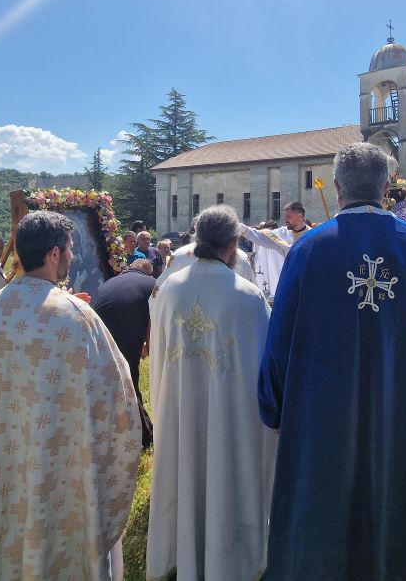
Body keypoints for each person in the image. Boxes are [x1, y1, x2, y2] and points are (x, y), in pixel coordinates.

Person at [259, 143, 406, 580]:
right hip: (404, 405)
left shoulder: (308, 249)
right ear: (385, 187)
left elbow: (279, 335)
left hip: (324, 407)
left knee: (327, 489)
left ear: (337, 186)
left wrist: (275, 403)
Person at [0, 210, 140, 581]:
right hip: (63, 465)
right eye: (71, 249)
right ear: (55, 254)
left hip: (6, 457)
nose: (72, 257)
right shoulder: (76, 314)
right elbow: (118, 396)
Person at [146, 205, 277, 580]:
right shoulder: (247, 295)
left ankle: (179, 550)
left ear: (197, 239)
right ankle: (229, 554)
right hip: (229, 416)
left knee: (183, 470)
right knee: (227, 474)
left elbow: (157, 355)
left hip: (180, 407)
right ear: (233, 243)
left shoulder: (169, 287)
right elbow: (263, 365)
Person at [92, 258, 155, 447]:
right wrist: (150, 348)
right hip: (127, 332)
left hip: (99, 334)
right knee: (129, 381)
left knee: (114, 382)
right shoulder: (153, 284)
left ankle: (122, 430)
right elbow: (154, 320)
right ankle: (139, 435)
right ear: (148, 273)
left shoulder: (111, 281)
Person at [238, 201, 311, 297]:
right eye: (285, 217)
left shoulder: (313, 235)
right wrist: (242, 228)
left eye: (289, 217)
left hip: (307, 281)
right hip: (287, 280)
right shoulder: (281, 234)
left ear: (300, 216)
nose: (285, 220)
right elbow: (260, 236)